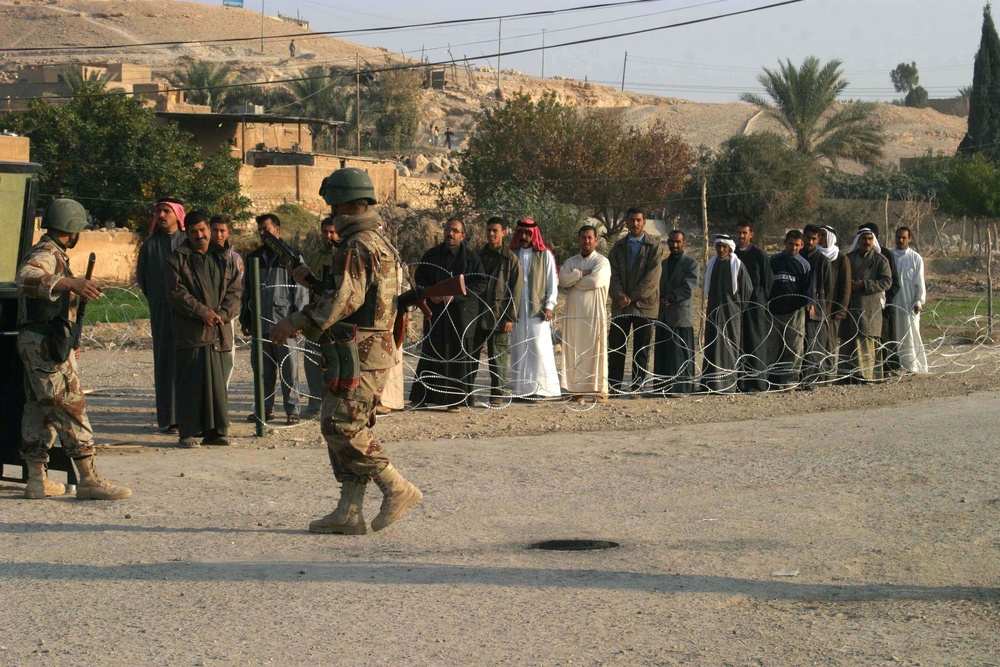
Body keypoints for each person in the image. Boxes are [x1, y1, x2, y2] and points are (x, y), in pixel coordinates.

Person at [270, 167, 421, 534]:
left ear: (348, 204)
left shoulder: (359, 245)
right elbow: (353, 294)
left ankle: (395, 486)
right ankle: (349, 511)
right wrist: (313, 281)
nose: (332, 214)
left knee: (341, 425)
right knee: (347, 421)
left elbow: (344, 300)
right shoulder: (376, 241)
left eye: (335, 205)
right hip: (361, 349)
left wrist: (297, 321)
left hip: (361, 350)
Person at [16, 198, 131, 500]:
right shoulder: (45, 253)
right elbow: (26, 278)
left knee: (38, 410)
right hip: (44, 344)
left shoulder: (53, 252)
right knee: (70, 405)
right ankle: (89, 479)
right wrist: (69, 283)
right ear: (73, 228)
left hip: (44, 342)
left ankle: (36, 479)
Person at [166, 211, 243, 448]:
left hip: (219, 330)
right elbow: (176, 293)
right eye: (193, 232)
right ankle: (188, 432)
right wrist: (202, 312)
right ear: (186, 233)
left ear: (209, 229)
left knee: (218, 385)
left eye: (202, 230)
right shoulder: (177, 258)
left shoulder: (224, 257)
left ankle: (216, 432)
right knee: (190, 382)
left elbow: (235, 291)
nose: (199, 235)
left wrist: (222, 314)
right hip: (192, 332)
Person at [409, 218, 487, 411]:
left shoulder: (471, 258)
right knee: (431, 354)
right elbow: (420, 279)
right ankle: (422, 396)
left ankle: (455, 401)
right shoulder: (431, 255)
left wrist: (457, 297)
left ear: (463, 235)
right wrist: (429, 295)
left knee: (457, 356)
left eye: (455, 230)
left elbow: (480, 284)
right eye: (447, 229)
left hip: (460, 316)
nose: (450, 234)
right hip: (436, 314)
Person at [240, 213, 308, 425]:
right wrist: (246, 319)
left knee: (289, 370)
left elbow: (300, 290)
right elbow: (247, 292)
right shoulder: (255, 257)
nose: (263, 233)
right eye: (260, 229)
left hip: (284, 323)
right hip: (261, 323)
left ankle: (292, 411)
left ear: (277, 230)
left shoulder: (291, 256)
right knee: (262, 371)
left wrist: (298, 320)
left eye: (266, 229)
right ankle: (264, 409)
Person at [136, 197, 185, 434]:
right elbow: (143, 280)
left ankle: (190, 415)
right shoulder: (149, 246)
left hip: (188, 313)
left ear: (178, 214)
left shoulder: (188, 242)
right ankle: (169, 418)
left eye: (167, 211)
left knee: (188, 363)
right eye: (160, 211)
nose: (163, 215)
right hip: (162, 313)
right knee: (165, 363)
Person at [607, 207, 662, 396]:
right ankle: (614, 386)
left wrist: (632, 297)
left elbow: (652, 279)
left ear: (644, 222)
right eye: (632, 220)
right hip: (621, 305)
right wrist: (620, 296)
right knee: (616, 346)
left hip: (644, 306)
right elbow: (611, 275)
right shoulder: (618, 247)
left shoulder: (654, 247)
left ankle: (637, 386)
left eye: (639, 220)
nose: (635, 223)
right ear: (627, 222)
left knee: (642, 348)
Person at [508, 218, 561, 399]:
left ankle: (541, 389)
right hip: (516, 311)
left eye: (527, 233)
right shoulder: (511, 254)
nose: (524, 236)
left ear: (533, 234)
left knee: (538, 348)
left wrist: (549, 306)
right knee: (518, 348)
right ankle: (521, 390)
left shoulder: (544, 254)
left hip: (537, 311)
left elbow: (551, 283)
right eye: (521, 233)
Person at [558, 225, 611, 403]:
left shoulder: (602, 262)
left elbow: (596, 281)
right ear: (578, 240)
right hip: (574, 313)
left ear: (596, 240)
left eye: (590, 237)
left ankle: (600, 390)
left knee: (596, 349)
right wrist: (581, 274)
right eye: (583, 237)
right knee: (575, 349)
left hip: (594, 313)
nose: (586, 241)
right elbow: (563, 280)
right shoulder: (571, 261)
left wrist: (575, 279)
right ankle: (575, 389)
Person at [473, 216, 521, 407]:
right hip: (477, 314)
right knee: (471, 355)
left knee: (498, 356)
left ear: (504, 232)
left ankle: (496, 394)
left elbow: (516, 290)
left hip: (499, 314)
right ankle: (467, 391)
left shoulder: (511, 259)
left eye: (495, 230)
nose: (491, 234)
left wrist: (509, 316)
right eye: (489, 230)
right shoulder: (478, 256)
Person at [839, 227, 892, 382]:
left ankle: (867, 375)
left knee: (866, 339)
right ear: (858, 241)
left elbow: (887, 281)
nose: (867, 242)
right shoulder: (847, 259)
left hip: (869, 307)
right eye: (864, 239)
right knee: (849, 340)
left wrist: (864, 285)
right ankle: (848, 375)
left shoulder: (879, 260)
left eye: (869, 239)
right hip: (850, 306)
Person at [702, 234, 752, 393]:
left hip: (731, 314)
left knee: (729, 346)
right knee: (712, 345)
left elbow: (746, 291)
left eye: (724, 247)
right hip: (713, 312)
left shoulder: (737, 265)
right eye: (718, 246)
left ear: (730, 248)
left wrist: (736, 309)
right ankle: (711, 383)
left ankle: (728, 384)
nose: (721, 249)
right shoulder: (712, 264)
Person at [653, 230, 700, 395]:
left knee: (680, 353)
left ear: (684, 243)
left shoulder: (691, 264)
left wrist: (670, 298)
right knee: (664, 353)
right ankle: (662, 387)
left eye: (678, 242)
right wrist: (662, 298)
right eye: (671, 242)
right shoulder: (663, 264)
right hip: (664, 315)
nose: (674, 245)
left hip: (680, 315)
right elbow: (655, 285)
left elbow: (689, 288)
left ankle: (681, 388)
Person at [766, 230, 811, 389]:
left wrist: (800, 303)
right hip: (773, 312)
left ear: (801, 245)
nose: (793, 248)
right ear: (785, 242)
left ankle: (789, 382)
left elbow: (808, 290)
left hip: (794, 314)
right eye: (791, 244)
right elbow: (766, 285)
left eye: (797, 245)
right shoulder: (774, 261)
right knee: (771, 348)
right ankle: (770, 381)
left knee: (793, 348)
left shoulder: (804, 265)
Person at [303, 217, 338, 417]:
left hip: (337, 318)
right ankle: (315, 403)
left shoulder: (344, 255)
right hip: (315, 317)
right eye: (325, 232)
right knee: (313, 361)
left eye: (332, 232)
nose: (328, 236)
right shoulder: (315, 256)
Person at [734, 222, 773, 392]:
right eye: (739, 233)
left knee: (756, 343)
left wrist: (761, 301)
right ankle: (740, 383)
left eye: (744, 233)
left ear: (751, 235)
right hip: (737, 306)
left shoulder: (759, 255)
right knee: (739, 342)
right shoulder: (733, 254)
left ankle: (757, 383)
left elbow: (768, 281)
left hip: (756, 305)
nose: (741, 236)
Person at [209, 214, 244, 389]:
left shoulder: (235, 259)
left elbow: (236, 290)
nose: (218, 234)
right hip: (206, 315)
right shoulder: (202, 255)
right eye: (214, 230)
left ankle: (222, 397)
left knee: (227, 358)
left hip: (226, 317)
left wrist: (225, 313)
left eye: (222, 230)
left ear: (228, 232)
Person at [799, 225, 834, 387]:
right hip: (797, 309)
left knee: (815, 344)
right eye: (808, 238)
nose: (810, 242)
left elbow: (828, 289)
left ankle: (813, 379)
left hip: (817, 310)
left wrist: (819, 307)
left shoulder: (823, 261)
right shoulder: (797, 257)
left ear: (818, 240)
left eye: (814, 239)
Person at [890, 226, 928, 374]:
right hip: (892, 303)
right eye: (898, 237)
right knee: (893, 335)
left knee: (911, 334)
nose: (900, 240)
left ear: (909, 239)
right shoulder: (889, 255)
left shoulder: (915, 258)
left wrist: (918, 301)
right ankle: (894, 366)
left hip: (908, 305)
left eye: (903, 237)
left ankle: (913, 365)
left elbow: (919, 282)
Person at [866, 222, 901, 378]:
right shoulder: (857, 256)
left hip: (884, 304)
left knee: (886, 337)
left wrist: (886, 300)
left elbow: (894, 282)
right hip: (865, 306)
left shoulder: (885, 255)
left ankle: (888, 367)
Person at [818, 225, 852, 382]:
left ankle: (829, 375)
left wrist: (842, 308)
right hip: (817, 305)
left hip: (833, 307)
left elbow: (845, 286)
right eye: (820, 236)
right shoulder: (815, 256)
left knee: (830, 342)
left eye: (824, 236)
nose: (821, 239)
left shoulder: (840, 258)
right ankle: (816, 374)